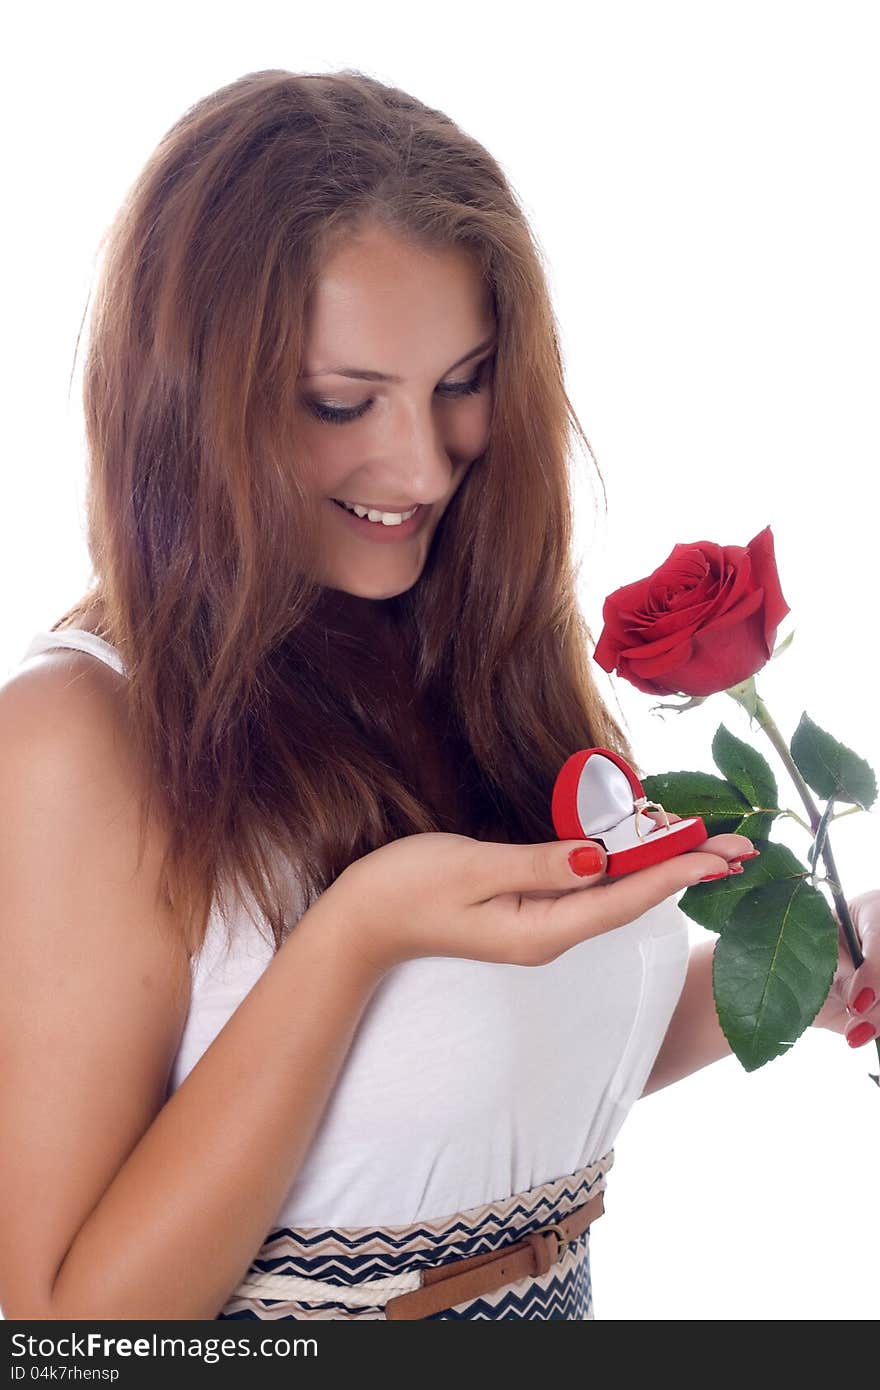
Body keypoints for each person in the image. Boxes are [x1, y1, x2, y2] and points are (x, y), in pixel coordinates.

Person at [1, 69, 875, 1324]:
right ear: (184, 403)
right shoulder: (78, 736)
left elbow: (458, 1097)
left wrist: (807, 975)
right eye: (339, 402)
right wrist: (354, 937)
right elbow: (63, 1333)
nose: (420, 465)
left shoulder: (473, 651)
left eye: (461, 383)